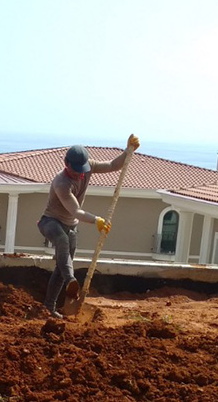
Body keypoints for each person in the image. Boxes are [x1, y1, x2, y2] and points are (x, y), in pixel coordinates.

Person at [37, 134, 140, 318]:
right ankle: (71, 281)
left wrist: (127, 151)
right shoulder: (61, 183)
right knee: (61, 241)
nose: (80, 174)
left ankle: (49, 308)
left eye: (81, 169)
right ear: (66, 163)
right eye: (75, 170)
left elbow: (112, 166)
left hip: (71, 226)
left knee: (61, 268)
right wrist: (96, 220)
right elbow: (76, 211)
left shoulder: (87, 167)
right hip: (50, 222)